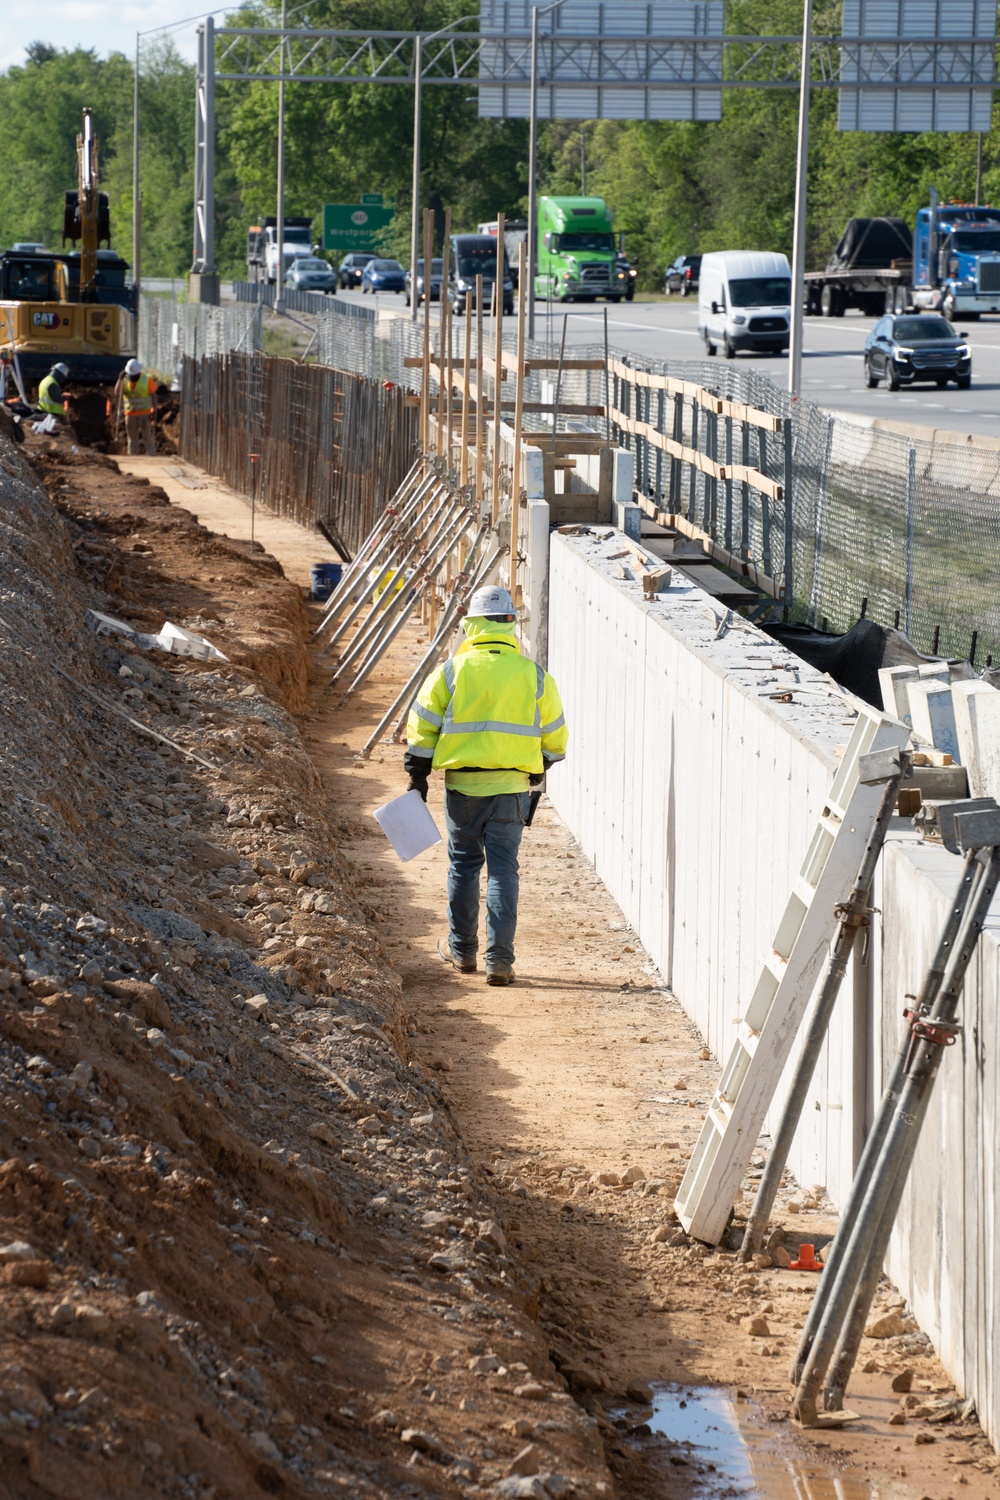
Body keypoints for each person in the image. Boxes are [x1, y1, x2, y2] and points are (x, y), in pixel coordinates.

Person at [405, 585, 568, 986]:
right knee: (503, 871)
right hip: (511, 789)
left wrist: (417, 778)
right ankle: (500, 961)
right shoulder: (534, 675)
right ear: (511, 624)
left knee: (463, 865)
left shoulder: (452, 670)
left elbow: (421, 727)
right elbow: (556, 738)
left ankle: (462, 952)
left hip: (463, 787)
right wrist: (535, 770)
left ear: (470, 624)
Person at [113, 358, 157, 455]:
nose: (133, 377)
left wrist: (154, 410)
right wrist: (119, 380)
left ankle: (151, 455)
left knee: (147, 436)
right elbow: (116, 393)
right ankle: (133, 456)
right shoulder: (124, 380)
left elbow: (153, 395)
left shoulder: (147, 379)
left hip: (144, 414)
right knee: (132, 438)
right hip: (130, 414)